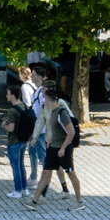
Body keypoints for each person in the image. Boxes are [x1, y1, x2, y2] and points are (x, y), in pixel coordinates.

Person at [25, 80, 84, 210]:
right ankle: (36, 200)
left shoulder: (60, 109)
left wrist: (63, 147)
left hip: (63, 146)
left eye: (44, 95)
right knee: (46, 172)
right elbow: (41, 122)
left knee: (70, 173)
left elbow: (70, 129)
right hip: (52, 145)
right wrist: (37, 137)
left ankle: (78, 201)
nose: (43, 98)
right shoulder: (45, 108)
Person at [3, 83, 35, 199]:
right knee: (21, 165)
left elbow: (11, 128)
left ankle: (17, 191)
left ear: (13, 95)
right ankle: (24, 189)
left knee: (15, 166)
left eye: (8, 94)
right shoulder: (24, 106)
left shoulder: (12, 111)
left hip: (13, 141)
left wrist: (4, 125)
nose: (6, 96)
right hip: (23, 140)